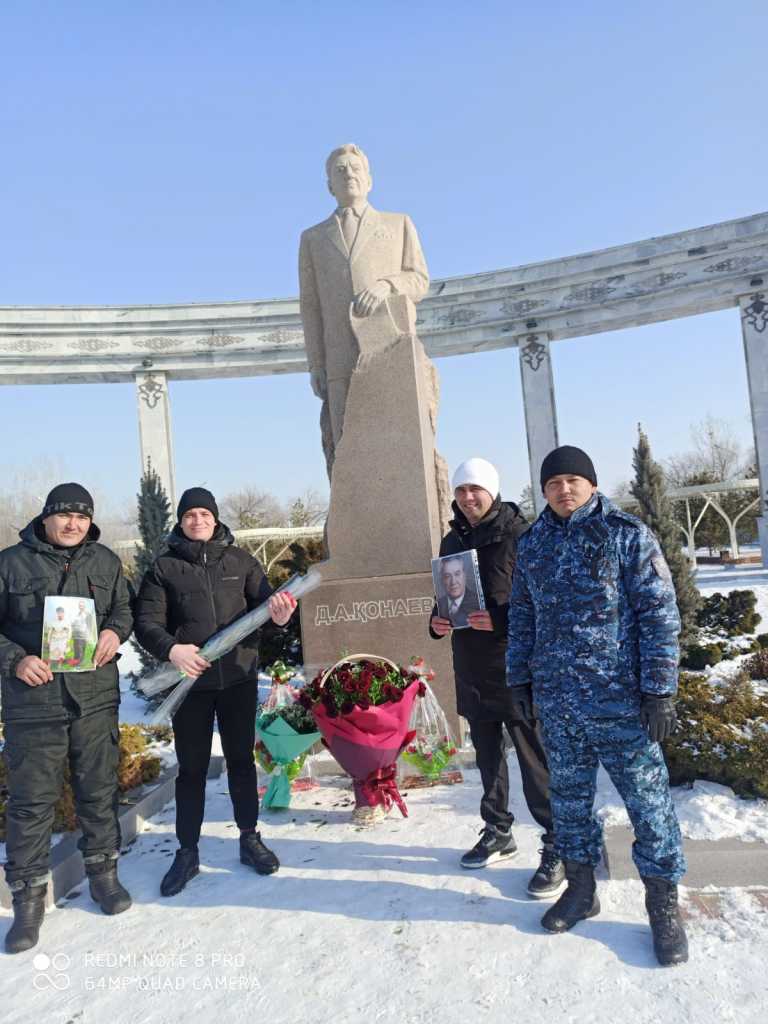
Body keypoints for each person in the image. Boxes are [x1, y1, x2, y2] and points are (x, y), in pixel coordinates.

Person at [506, 445, 688, 966]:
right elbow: (523, 616)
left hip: (622, 702)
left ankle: (662, 905)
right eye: (553, 483)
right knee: (567, 802)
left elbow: (658, 613)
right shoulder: (534, 544)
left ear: (590, 482)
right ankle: (582, 890)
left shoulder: (625, 534)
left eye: (572, 480)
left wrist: (659, 690)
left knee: (648, 804)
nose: (564, 490)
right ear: (543, 491)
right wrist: (519, 679)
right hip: (559, 705)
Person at [134, 487, 296, 897]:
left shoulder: (241, 562)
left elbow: (268, 610)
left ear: (216, 518)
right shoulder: (164, 568)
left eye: (204, 513)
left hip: (238, 680)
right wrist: (172, 649)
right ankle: (187, 852)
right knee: (191, 771)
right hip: (192, 687)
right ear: (182, 521)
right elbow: (147, 622)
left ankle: (249, 838)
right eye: (190, 514)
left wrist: (281, 616)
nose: (198, 520)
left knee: (241, 762)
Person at [0, 483, 134, 954]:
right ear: (46, 517)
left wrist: (116, 632)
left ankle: (103, 875)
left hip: (94, 698)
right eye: (64, 516)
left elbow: (123, 607)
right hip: (32, 702)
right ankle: (29, 899)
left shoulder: (106, 563)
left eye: (81, 516)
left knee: (98, 790)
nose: (73, 524)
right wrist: (15, 658)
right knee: (31, 802)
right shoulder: (10, 563)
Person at [429, 458, 564, 897]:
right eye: (461, 491)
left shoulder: (521, 536)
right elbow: (446, 599)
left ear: (493, 491)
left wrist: (501, 620)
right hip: (470, 665)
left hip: (514, 665)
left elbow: (545, 604)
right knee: (487, 757)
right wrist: (437, 621)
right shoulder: (453, 539)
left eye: (476, 490)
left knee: (533, 759)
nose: (468, 498)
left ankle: (557, 842)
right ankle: (497, 830)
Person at [299, 143, 429, 476]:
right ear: (329, 185)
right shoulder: (313, 238)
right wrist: (316, 363)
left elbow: (419, 280)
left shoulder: (398, 224)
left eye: (355, 168)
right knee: (348, 450)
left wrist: (388, 284)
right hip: (340, 356)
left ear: (369, 180)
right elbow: (310, 308)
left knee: (400, 441)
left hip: (389, 348)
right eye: (339, 170)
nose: (349, 174)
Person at [435, 556, 476, 627]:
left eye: (457, 574)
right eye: (447, 576)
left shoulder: (477, 601)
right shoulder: (440, 603)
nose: (453, 582)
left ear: (464, 575)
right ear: (442, 579)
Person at [71, 598, 95, 666]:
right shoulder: (77, 615)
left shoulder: (88, 614)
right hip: (76, 634)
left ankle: (79, 664)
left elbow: (90, 625)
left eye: (82, 605)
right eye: (80, 605)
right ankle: (76, 663)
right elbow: (73, 624)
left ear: (84, 606)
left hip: (84, 634)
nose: (81, 607)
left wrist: (89, 634)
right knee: (77, 649)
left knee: (81, 649)